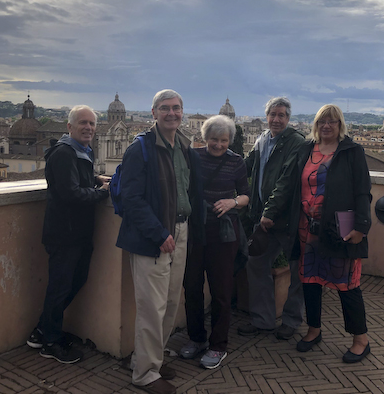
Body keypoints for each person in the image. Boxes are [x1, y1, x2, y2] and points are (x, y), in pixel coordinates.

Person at [263, 104, 372, 363]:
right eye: (322, 121)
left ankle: (361, 340)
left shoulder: (351, 151)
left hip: (341, 226)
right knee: (310, 282)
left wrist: (361, 227)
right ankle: (314, 330)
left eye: (332, 122)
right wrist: (270, 211)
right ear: (315, 124)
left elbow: (362, 191)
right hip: (306, 227)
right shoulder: (305, 149)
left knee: (347, 285)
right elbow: (288, 183)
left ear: (340, 125)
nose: (326, 126)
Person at [116, 89, 203, 394]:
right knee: (152, 308)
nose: (172, 113)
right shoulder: (139, 149)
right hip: (153, 238)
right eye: (165, 108)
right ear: (153, 113)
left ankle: (150, 360)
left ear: (182, 112)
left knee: (168, 303)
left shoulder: (182, 145)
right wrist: (159, 233)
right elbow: (132, 199)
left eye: (176, 108)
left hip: (179, 231)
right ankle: (144, 375)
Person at [27, 105, 110, 364]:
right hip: (65, 232)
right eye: (82, 123)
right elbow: (70, 193)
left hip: (77, 232)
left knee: (73, 282)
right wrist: (103, 193)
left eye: (92, 124)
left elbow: (78, 180)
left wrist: (96, 179)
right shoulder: (64, 153)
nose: (88, 127)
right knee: (61, 287)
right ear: (70, 127)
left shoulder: (80, 152)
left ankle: (42, 331)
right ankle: (50, 342)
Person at [180, 115, 250, 369]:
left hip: (223, 233)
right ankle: (196, 338)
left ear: (230, 140)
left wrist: (232, 202)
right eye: (213, 140)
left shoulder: (236, 162)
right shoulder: (193, 157)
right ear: (204, 138)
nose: (218, 145)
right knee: (192, 286)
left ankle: (218, 345)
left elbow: (245, 195)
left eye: (223, 140)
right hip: (196, 229)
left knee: (221, 290)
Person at [237, 97, 306, 340]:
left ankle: (290, 321)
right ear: (266, 117)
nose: (276, 119)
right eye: (273, 115)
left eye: (282, 115)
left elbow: (286, 182)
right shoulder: (262, 140)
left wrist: (269, 212)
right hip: (262, 216)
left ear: (288, 118)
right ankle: (263, 320)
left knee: (298, 272)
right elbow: (247, 167)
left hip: (286, 219)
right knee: (256, 264)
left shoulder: (296, 143)